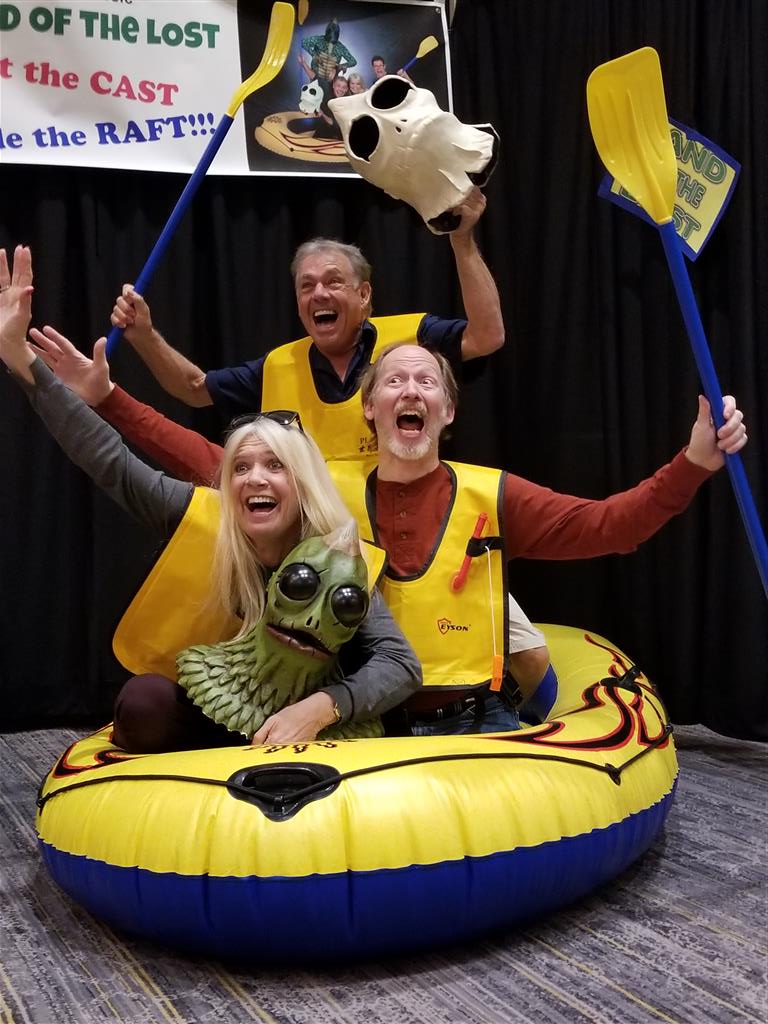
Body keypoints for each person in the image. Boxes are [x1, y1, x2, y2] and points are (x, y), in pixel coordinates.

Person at [28, 329, 748, 735]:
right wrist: (108, 398)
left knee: (527, 653)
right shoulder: (317, 488)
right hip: (373, 721)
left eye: (427, 382)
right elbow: (208, 462)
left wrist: (691, 464)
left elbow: (609, 527)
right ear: (370, 409)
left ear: (447, 411)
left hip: (473, 715)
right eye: (394, 382)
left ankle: (543, 707)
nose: (410, 391)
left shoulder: (493, 493)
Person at [0, 246, 421, 752]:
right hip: (220, 704)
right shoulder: (200, 514)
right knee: (143, 703)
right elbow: (108, 459)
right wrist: (20, 359)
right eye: (241, 468)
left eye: (274, 466)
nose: (255, 479)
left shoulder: (335, 553)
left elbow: (400, 664)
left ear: (302, 485)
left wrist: (321, 707)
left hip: (317, 717)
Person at [106, 187, 505, 462]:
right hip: (313, 546)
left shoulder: (413, 340)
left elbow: (487, 336)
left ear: (364, 294)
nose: (319, 294)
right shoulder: (277, 367)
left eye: (333, 282)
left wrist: (461, 241)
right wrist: (144, 335)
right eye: (306, 286)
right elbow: (194, 389)